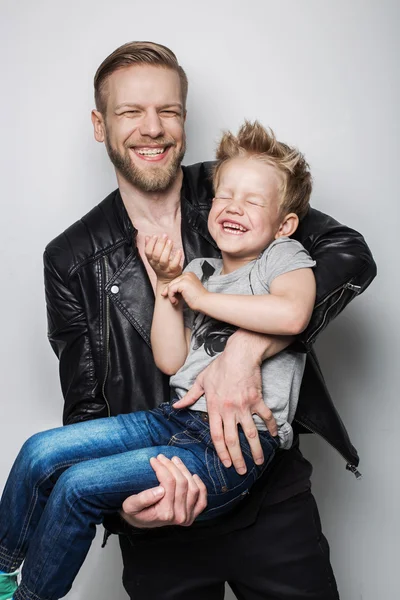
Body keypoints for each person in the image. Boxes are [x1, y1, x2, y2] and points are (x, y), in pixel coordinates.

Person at [37, 41, 374, 599]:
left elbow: (349, 252)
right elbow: (88, 408)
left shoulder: (237, 188)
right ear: (100, 125)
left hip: (273, 502)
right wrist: (126, 508)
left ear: (184, 120)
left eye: (168, 111)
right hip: (161, 520)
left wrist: (245, 349)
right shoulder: (70, 258)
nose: (152, 128)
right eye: (130, 112)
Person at [0, 121, 317, 600]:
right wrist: (167, 284)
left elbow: (293, 315)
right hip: (172, 419)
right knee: (40, 452)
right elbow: (171, 359)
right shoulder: (200, 270)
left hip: (228, 451)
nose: (233, 207)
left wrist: (200, 299)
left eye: (252, 201)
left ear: (283, 223)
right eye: (224, 195)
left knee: (79, 486)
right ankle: (3, 572)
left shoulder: (283, 258)